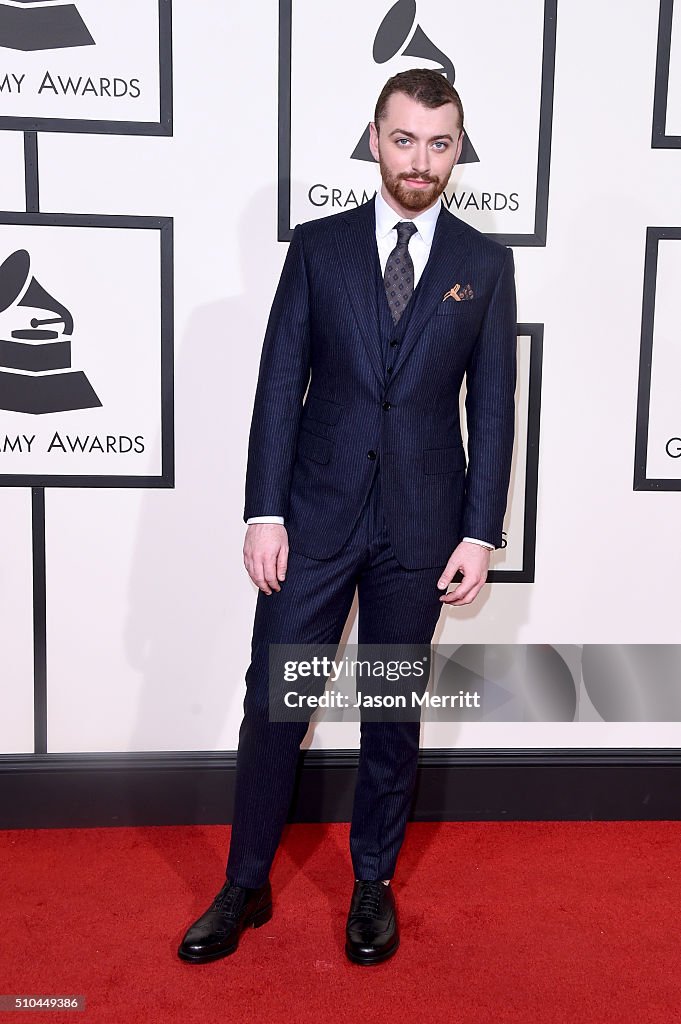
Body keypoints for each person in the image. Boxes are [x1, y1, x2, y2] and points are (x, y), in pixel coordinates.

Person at [178, 67, 517, 967]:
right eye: (403, 139)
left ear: (457, 150)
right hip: (314, 520)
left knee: (390, 713)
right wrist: (264, 511)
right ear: (374, 139)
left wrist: (479, 531)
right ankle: (244, 884)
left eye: (438, 143)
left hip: (423, 530)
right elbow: (278, 382)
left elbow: (492, 409)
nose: (420, 160)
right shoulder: (319, 248)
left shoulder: (483, 265)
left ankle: (372, 882)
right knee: (274, 708)